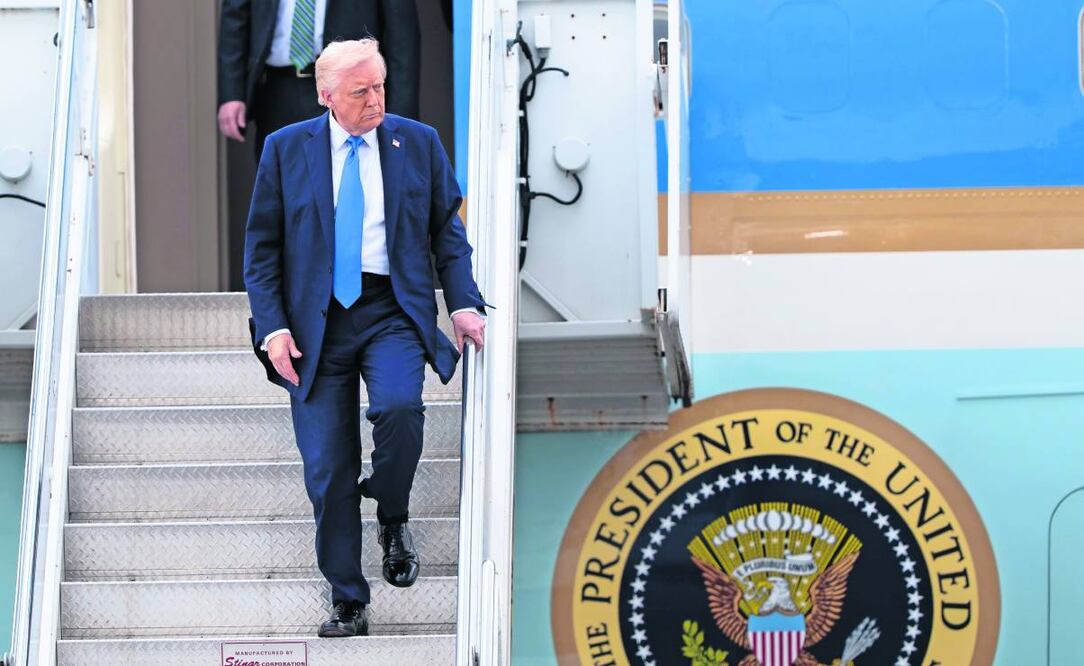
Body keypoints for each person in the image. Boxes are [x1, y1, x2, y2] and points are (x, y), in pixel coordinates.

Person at [243, 38, 487, 637]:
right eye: (361, 91)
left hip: (389, 309)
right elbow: (262, 250)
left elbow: (447, 234)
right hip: (314, 323)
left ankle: (392, 512)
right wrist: (273, 328)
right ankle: (348, 598)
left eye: (380, 86)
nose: (376, 99)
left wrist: (463, 303)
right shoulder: (285, 149)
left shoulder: (417, 142)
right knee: (329, 471)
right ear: (326, 96)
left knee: (401, 409)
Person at [217, 0, 421, 159]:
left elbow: (402, 36)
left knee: (347, 182)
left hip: (350, 87)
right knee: (282, 186)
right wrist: (232, 92)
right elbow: (235, 17)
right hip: (277, 89)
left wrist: (400, 117)